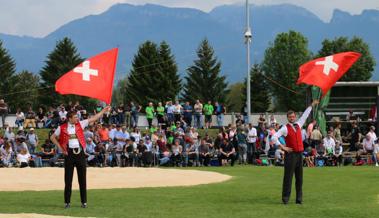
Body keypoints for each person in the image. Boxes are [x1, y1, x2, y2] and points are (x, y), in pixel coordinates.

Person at [50, 106, 110, 209]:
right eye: (75, 117)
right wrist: (60, 147)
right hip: (69, 154)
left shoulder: (80, 124)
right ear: (69, 118)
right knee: (68, 180)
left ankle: (84, 202)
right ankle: (67, 202)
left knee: (82, 179)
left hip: (80, 154)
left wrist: (104, 111)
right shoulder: (62, 127)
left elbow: (94, 118)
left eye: (77, 117)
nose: (77, 119)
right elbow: (52, 137)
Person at [272, 99, 319, 204]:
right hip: (290, 155)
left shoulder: (299, 124)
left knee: (299, 178)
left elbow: (305, 115)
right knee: (288, 178)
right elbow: (274, 137)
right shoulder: (285, 128)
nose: (292, 118)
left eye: (293, 116)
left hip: (299, 154)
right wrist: (282, 147)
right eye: (290, 117)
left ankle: (299, 199)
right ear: (287, 118)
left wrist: (311, 105)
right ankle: (285, 199)